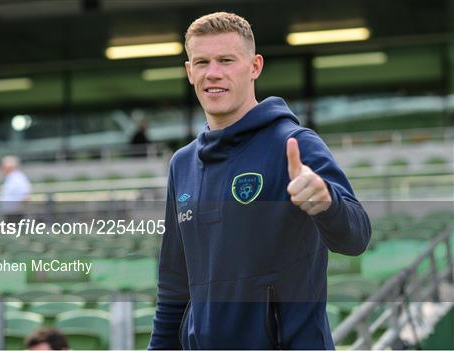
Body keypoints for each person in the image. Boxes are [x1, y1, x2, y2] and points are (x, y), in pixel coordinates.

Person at [149, 12, 371, 350]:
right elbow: (174, 285)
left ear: (254, 66)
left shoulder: (294, 144)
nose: (213, 73)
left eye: (226, 60)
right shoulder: (182, 164)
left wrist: (326, 202)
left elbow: (356, 237)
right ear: (189, 71)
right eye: (202, 62)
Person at [0, 155, 32, 223]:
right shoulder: (10, 178)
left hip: (15, 213)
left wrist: (20, 208)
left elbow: (26, 195)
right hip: (10, 212)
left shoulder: (18, 178)